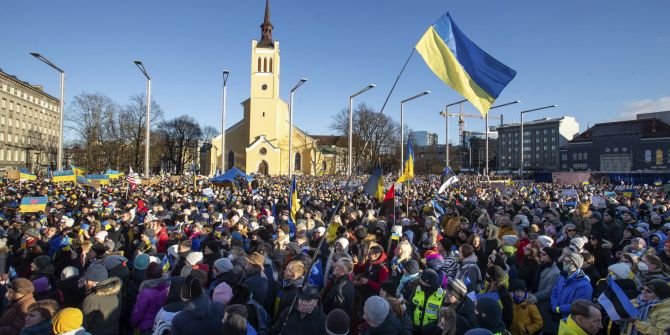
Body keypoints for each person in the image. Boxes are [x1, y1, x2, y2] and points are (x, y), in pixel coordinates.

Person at [80, 264, 122, 335]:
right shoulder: (117, 291)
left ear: (93, 281)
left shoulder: (92, 299)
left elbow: (85, 321)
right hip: (113, 330)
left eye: (87, 280)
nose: (85, 282)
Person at [551, 252, 593, 319]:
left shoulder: (584, 285)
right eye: (564, 260)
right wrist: (554, 305)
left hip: (571, 320)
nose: (565, 263)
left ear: (577, 264)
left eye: (569, 261)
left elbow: (580, 306)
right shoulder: (562, 276)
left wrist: (559, 309)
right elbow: (554, 291)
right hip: (557, 316)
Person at [130, 263, 169, 334]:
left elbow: (138, 312)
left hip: (144, 326)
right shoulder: (166, 288)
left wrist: (132, 323)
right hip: (158, 324)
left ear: (147, 274)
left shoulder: (146, 293)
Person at [406, 269, 445, 335]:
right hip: (414, 328)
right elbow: (410, 307)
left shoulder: (441, 296)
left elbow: (442, 318)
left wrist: (434, 329)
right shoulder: (417, 290)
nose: (420, 282)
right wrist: (410, 322)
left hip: (430, 331)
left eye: (422, 281)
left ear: (428, 283)